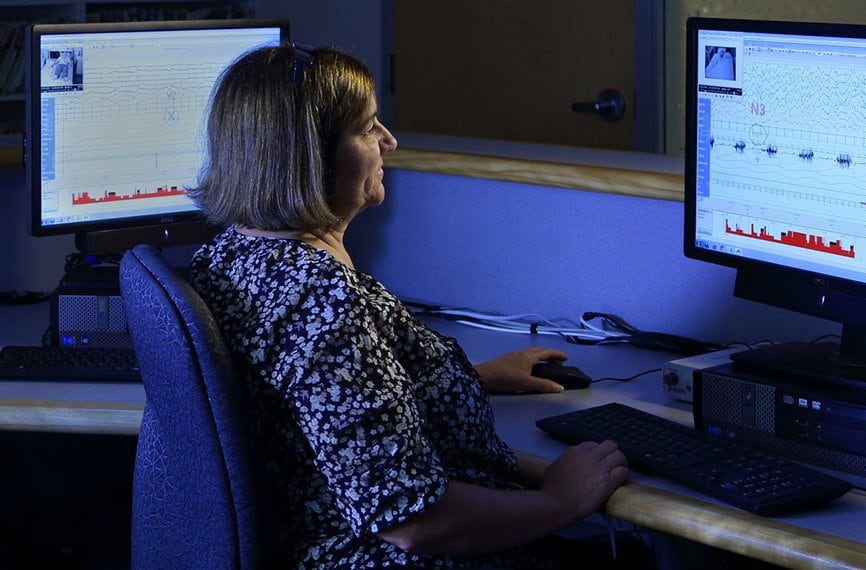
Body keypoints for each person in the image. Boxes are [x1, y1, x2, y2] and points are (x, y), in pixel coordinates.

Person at [188, 44, 632, 568]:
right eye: (367, 127)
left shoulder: (224, 259)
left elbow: (308, 401)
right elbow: (411, 520)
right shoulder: (325, 303)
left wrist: (466, 377)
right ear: (310, 156)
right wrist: (559, 502)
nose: (389, 142)